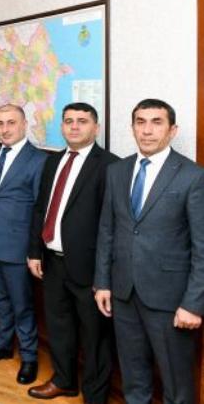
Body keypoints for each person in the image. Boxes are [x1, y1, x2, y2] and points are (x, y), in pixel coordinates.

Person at [95, 99, 204, 404]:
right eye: (140, 122)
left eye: (156, 122)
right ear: (132, 128)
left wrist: (193, 304)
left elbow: (202, 247)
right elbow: (107, 230)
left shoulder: (192, 176)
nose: (147, 130)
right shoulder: (117, 171)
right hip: (123, 293)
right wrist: (102, 282)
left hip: (170, 300)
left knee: (177, 386)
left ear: (172, 130)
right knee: (134, 378)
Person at [27, 103, 117, 403]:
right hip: (53, 263)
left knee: (95, 337)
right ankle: (64, 380)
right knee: (59, 327)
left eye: (82, 121)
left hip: (89, 268)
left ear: (96, 128)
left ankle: (94, 396)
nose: (74, 126)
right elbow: (41, 208)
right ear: (62, 126)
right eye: (68, 121)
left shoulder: (109, 166)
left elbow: (111, 225)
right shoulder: (53, 161)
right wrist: (35, 251)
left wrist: (104, 276)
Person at [0, 104, 46, 385]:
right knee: (2, 299)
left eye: (11, 123)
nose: (5, 129)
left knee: (22, 304)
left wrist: (34, 250)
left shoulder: (38, 160)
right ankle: (4, 345)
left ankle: (29, 357)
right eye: (0, 123)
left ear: (24, 124)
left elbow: (40, 210)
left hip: (18, 246)